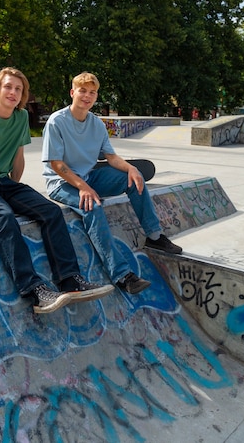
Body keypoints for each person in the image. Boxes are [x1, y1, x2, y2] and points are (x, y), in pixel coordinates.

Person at [0, 67, 113, 314]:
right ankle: (34, 290)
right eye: (8, 87)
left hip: (4, 183)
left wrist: (15, 193)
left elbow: (18, 158)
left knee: (51, 211)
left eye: (18, 89)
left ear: (23, 94)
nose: (13, 92)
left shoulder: (20, 118)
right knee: (3, 217)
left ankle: (70, 280)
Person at [42, 72, 183, 296]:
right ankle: (122, 275)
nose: (87, 96)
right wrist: (84, 188)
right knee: (92, 206)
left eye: (92, 92)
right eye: (82, 91)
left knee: (133, 181)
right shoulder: (57, 121)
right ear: (72, 93)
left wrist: (131, 169)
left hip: (89, 178)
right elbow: (57, 165)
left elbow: (111, 157)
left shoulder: (96, 124)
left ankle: (154, 237)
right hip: (62, 183)